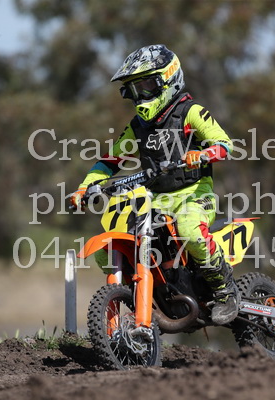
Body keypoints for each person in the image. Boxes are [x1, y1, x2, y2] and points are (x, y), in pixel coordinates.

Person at [70, 44, 238, 325]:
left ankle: (225, 291)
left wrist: (202, 154)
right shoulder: (138, 127)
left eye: (147, 86)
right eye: (134, 90)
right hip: (156, 198)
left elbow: (224, 144)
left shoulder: (190, 112)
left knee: (189, 229)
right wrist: (86, 187)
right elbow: (109, 161)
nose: (141, 95)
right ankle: (140, 299)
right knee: (110, 244)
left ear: (168, 79)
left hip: (194, 194)